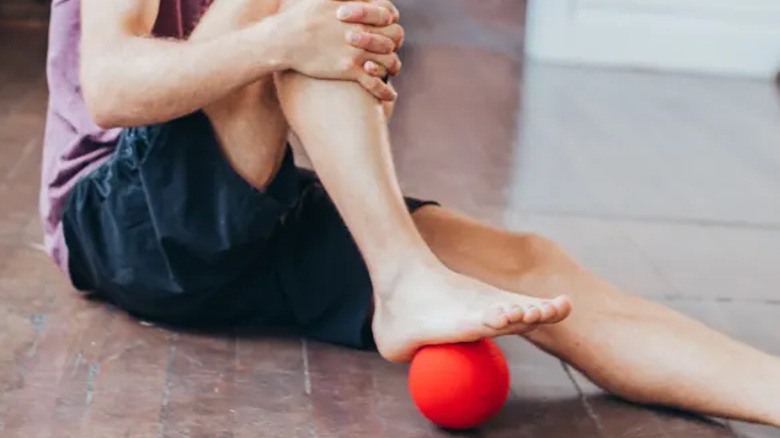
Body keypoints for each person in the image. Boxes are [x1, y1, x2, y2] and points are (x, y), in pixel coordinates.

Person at [41, 0, 779, 428]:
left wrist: (349, 63)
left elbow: (299, 70)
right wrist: (285, 42)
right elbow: (109, 86)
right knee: (307, 14)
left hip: (253, 209)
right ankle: (403, 279)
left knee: (530, 268)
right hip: (118, 225)